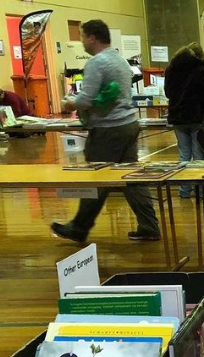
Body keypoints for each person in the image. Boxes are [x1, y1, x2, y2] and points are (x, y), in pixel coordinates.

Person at [51, 20, 160, 242]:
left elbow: (85, 99)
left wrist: (68, 103)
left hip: (108, 129)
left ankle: (79, 228)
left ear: (92, 37)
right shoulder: (119, 59)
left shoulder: (96, 63)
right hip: (128, 124)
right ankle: (149, 225)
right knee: (131, 179)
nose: (81, 41)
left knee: (96, 179)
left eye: (82, 37)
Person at [164, 42, 204, 198]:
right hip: (196, 116)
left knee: (184, 154)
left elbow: (167, 93)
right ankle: (200, 190)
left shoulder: (170, 69)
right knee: (198, 155)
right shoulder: (198, 69)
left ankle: (184, 190)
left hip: (177, 117)